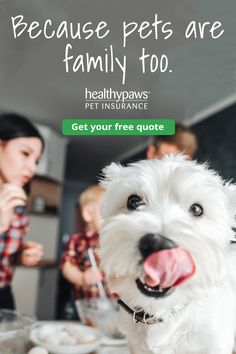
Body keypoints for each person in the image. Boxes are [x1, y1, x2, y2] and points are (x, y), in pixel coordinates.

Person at [0, 113, 44, 309]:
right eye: (25, 153)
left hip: (4, 295)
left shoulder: (18, 203)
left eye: (36, 160)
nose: (32, 168)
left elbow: (5, 256)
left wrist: (21, 256)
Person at [61, 185, 113, 301]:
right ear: (88, 213)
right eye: (106, 211)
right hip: (89, 304)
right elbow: (67, 266)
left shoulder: (115, 241)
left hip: (116, 304)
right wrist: (82, 278)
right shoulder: (77, 241)